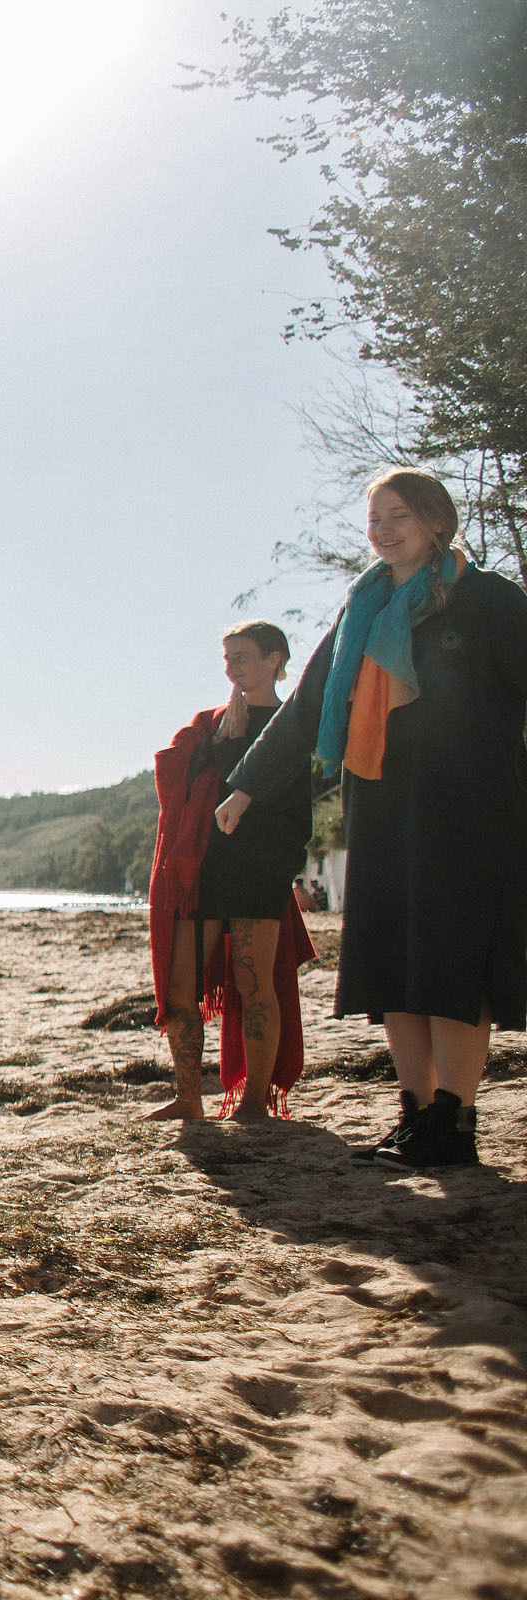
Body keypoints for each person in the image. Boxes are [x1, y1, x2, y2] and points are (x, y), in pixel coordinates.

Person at [221, 468, 527, 1169]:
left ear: (436, 520)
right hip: (383, 804)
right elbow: (306, 708)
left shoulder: (487, 600)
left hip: (469, 810)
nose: (384, 530)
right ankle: (415, 1114)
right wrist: (245, 788)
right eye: (375, 519)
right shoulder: (362, 608)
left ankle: (456, 1122)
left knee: (452, 962)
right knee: (394, 958)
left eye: (400, 516)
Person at [147, 624, 315, 1123]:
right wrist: (217, 743)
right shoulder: (214, 723)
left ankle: (255, 1102)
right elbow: (174, 778)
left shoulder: (292, 725)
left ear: (274, 660)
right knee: (181, 988)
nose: (232, 667)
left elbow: (295, 813)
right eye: (227, 658)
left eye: (242, 657)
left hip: (260, 872)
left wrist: (281, 869)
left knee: (253, 980)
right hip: (204, 871)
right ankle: (188, 1097)